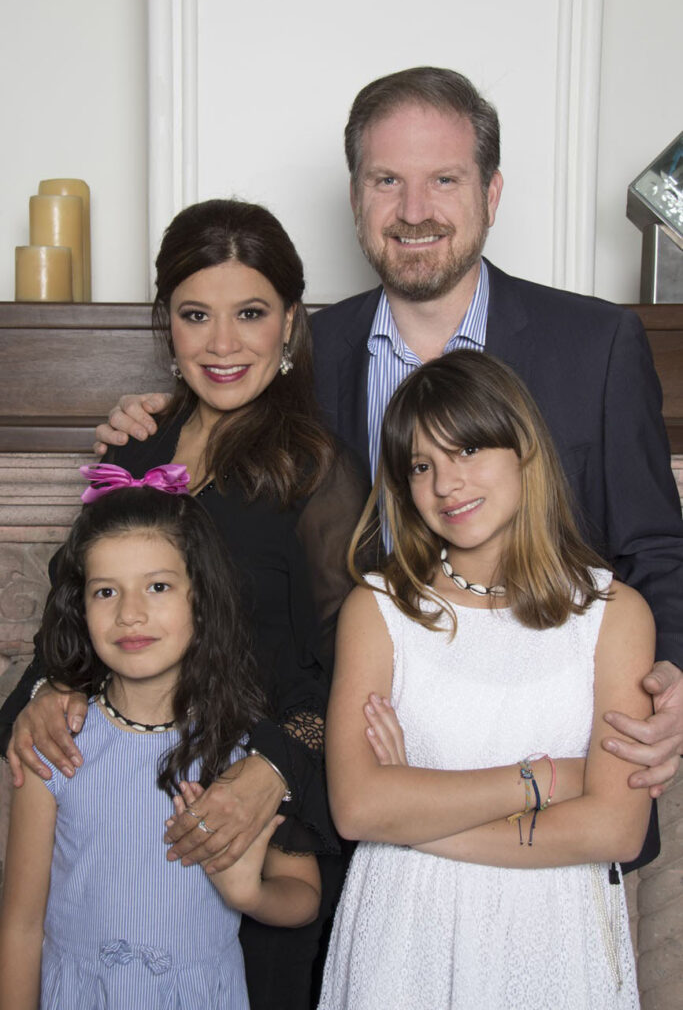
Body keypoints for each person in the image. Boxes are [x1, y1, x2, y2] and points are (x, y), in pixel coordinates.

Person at [87, 68, 683, 825]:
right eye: (386, 181)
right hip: (364, 762)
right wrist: (152, 421)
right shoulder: (300, 355)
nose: (414, 211)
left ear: (491, 194)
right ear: (354, 197)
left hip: (557, 757)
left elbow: (656, 546)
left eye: (444, 179)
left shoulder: (596, 344)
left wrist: (674, 675)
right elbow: (221, 455)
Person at [0, 199, 370, 1010]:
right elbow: (73, 613)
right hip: (124, 817)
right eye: (196, 315)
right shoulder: (137, 446)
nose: (222, 344)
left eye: (251, 314)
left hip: (258, 828)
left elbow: (356, 675)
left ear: (290, 323)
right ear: (165, 323)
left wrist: (271, 768)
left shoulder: (318, 472)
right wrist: (44, 694)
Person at [318, 350, 651, 1009]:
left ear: (523, 449)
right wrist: (548, 779)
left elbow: (614, 830)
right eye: (421, 466)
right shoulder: (379, 609)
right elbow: (357, 808)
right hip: (404, 929)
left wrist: (415, 818)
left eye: (467, 450)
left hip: (556, 933)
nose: (446, 483)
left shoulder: (613, 614)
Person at [0, 477, 321, 1009]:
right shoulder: (56, 747)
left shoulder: (248, 750)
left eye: (158, 587)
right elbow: (21, 924)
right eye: (106, 591)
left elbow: (303, 895)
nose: (130, 613)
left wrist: (250, 893)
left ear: (202, 599)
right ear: (81, 607)